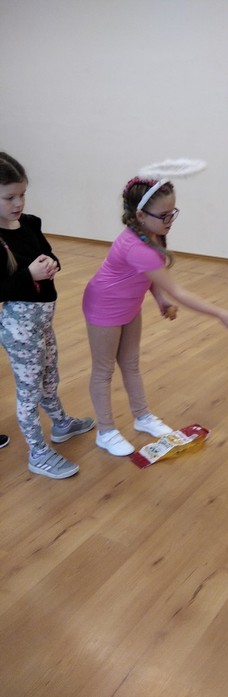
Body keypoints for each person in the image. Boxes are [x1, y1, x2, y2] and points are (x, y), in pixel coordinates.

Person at [82, 169, 228, 457]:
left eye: (172, 213)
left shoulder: (151, 236)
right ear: (140, 216)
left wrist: (159, 299)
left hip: (129, 305)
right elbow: (178, 291)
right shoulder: (137, 247)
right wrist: (219, 312)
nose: (170, 221)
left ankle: (142, 416)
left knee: (131, 363)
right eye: (164, 215)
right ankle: (105, 431)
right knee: (104, 371)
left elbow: (148, 277)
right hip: (103, 307)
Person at [0, 152, 95, 479]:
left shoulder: (30, 223)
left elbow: (49, 254)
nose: (18, 203)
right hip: (20, 327)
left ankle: (61, 424)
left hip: (42, 322)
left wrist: (52, 264)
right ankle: (38, 453)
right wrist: (30, 275)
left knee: (50, 376)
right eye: (9, 197)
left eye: (22, 194)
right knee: (29, 391)